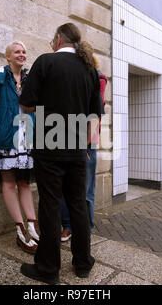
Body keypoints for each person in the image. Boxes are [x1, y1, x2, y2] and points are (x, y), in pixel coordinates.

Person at [19, 23, 104, 285]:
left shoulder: (45, 62)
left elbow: (26, 102)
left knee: (50, 205)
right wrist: (88, 147)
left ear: (58, 39)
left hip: (49, 146)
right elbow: (95, 113)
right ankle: (82, 264)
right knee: (78, 205)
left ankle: (48, 269)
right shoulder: (89, 68)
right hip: (78, 149)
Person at [0, 41, 39, 254]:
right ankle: (20, 230)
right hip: (4, 140)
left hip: (25, 140)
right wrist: (1, 126)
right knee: (9, 183)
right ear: (8, 57)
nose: (22, 54)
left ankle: (33, 225)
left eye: (24, 51)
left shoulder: (29, 79)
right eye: (17, 52)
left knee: (24, 182)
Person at [61, 55, 107, 242]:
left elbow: (95, 114)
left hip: (87, 140)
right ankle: (68, 226)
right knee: (66, 186)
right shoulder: (72, 77)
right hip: (66, 137)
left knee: (86, 188)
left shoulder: (98, 78)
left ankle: (85, 226)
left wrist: (87, 145)